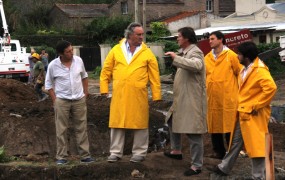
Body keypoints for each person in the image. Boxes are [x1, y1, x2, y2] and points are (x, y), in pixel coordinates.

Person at [210, 41, 277, 179]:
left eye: (239, 54)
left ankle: (258, 176)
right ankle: (224, 167)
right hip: (244, 112)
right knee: (236, 142)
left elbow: (271, 88)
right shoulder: (245, 69)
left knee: (257, 146)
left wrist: (256, 105)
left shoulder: (260, 70)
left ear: (246, 56)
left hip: (253, 114)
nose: (237, 56)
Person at [100, 22, 161, 163]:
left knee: (140, 123)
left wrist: (156, 95)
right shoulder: (116, 50)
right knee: (117, 122)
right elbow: (106, 71)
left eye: (142, 34)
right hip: (119, 93)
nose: (141, 37)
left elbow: (154, 76)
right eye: (138, 34)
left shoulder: (147, 53)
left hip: (138, 94)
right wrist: (104, 88)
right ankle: (115, 152)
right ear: (130, 35)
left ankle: (139, 153)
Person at [163, 27, 207, 176]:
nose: (177, 39)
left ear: (187, 38)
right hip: (182, 98)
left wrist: (176, 58)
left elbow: (197, 65)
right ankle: (176, 150)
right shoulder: (186, 52)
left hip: (191, 99)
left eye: (179, 36)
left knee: (193, 131)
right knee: (171, 120)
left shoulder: (195, 52)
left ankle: (196, 165)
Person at [45, 40, 94, 165]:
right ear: (61, 53)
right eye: (68, 51)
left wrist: (85, 92)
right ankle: (61, 156)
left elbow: (84, 76)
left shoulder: (79, 61)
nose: (71, 53)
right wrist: (55, 100)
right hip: (62, 100)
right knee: (61, 129)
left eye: (71, 50)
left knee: (81, 128)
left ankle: (85, 155)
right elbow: (48, 84)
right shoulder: (53, 65)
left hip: (79, 100)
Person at [204, 31, 242, 159]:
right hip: (213, 98)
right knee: (215, 125)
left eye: (212, 39)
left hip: (228, 97)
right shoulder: (207, 57)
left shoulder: (231, 56)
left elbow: (240, 73)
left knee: (229, 125)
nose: (210, 41)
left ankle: (232, 152)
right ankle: (218, 151)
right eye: (209, 39)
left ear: (221, 40)